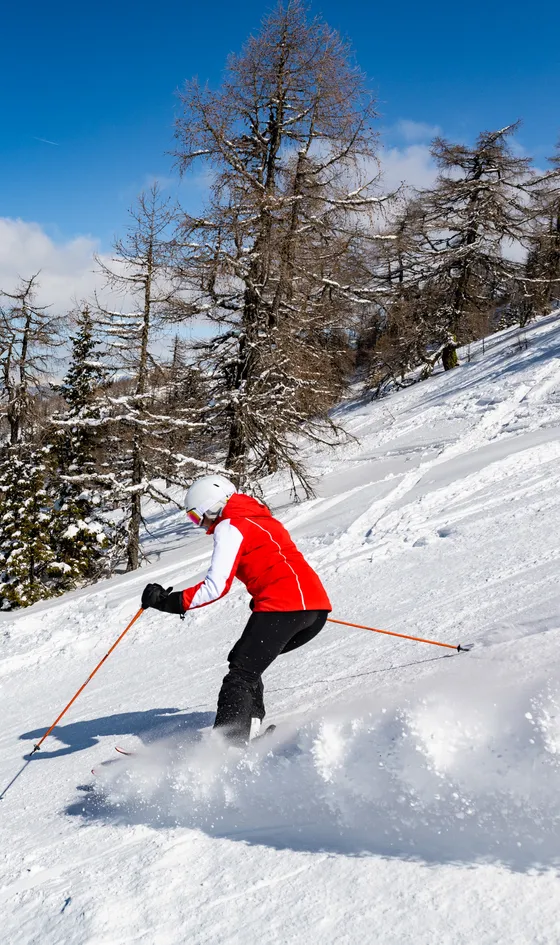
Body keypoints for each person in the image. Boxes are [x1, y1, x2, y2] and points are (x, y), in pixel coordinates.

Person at [141, 475, 331, 744]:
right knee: (246, 663)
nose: (201, 525)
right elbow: (278, 563)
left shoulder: (230, 525)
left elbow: (216, 586)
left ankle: (226, 748)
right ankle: (248, 733)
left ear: (212, 506)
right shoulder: (265, 520)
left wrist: (167, 602)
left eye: (197, 516)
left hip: (284, 607)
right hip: (314, 610)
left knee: (240, 674)